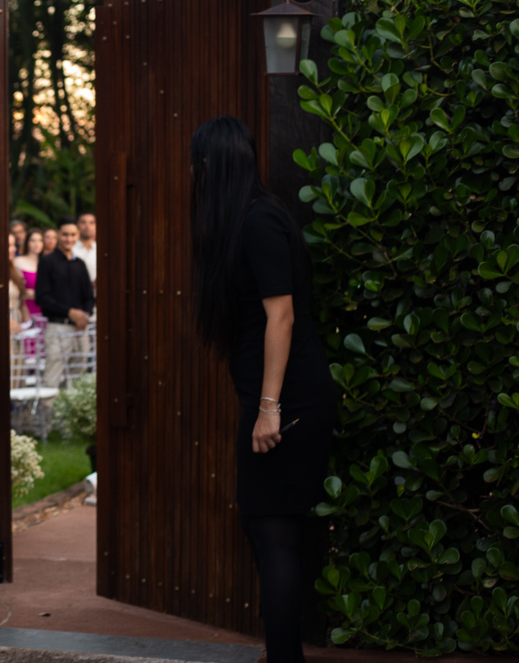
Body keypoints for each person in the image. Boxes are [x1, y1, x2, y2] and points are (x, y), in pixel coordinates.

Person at [189, 116, 336, 663]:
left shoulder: (258, 223)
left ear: (214, 165)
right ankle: (280, 654)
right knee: (268, 529)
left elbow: (282, 318)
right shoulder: (250, 220)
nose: (197, 176)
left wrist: (268, 409)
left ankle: (283, 657)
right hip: (277, 400)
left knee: (272, 531)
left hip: (288, 403)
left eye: (200, 165)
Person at [35, 218, 94, 389]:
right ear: (58, 235)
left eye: (72, 235)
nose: (69, 239)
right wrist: (69, 312)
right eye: (65, 235)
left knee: (78, 378)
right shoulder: (47, 262)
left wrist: (83, 316)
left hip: (80, 329)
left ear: (77, 236)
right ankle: (47, 415)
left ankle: (73, 415)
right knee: (53, 376)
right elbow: (42, 298)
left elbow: (89, 296)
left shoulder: (80, 264)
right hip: (57, 328)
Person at [15, 229, 44, 319]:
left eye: (40, 240)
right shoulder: (18, 262)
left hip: (44, 309)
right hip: (25, 308)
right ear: (27, 242)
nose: (37, 244)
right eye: (33, 240)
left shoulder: (47, 263)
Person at [7, 232, 31, 333]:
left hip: (18, 325)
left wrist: (28, 322)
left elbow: (22, 302)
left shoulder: (15, 270)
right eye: (9, 246)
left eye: (14, 245)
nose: (14, 249)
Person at [73, 212, 98, 285]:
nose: (87, 226)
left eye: (91, 223)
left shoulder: (100, 249)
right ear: (77, 225)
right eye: (83, 222)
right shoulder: (71, 249)